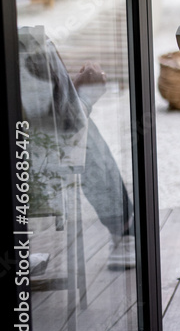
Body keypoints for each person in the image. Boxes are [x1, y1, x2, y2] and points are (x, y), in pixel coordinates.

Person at [18, 28, 135, 270]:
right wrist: (84, 96)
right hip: (31, 177)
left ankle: (125, 230)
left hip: (29, 158)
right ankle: (124, 230)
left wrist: (68, 96)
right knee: (82, 130)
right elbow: (68, 127)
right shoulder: (27, 42)